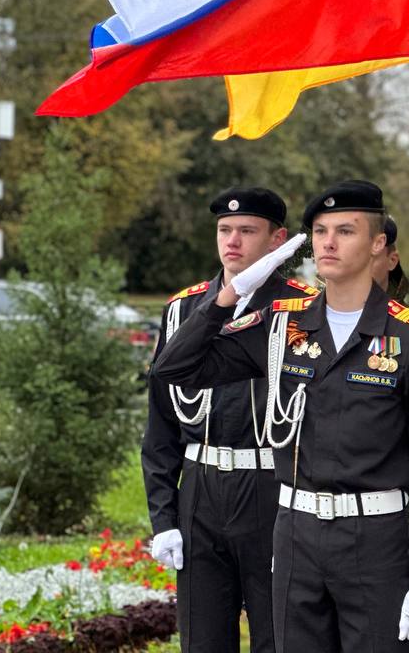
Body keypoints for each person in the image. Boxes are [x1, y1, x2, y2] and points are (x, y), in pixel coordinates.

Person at [151, 180, 409, 652]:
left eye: (345, 231)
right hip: (297, 534)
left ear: (378, 243)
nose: (328, 243)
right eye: (319, 232)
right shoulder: (283, 324)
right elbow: (174, 369)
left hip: (375, 537)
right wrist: (227, 298)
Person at [141, 187, 306, 653]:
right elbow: (160, 426)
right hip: (202, 489)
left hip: (272, 487)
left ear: (278, 240)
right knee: (203, 637)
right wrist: (163, 517)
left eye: (247, 231)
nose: (232, 241)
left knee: (279, 635)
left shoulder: (303, 308)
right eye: (224, 230)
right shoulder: (184, 308)